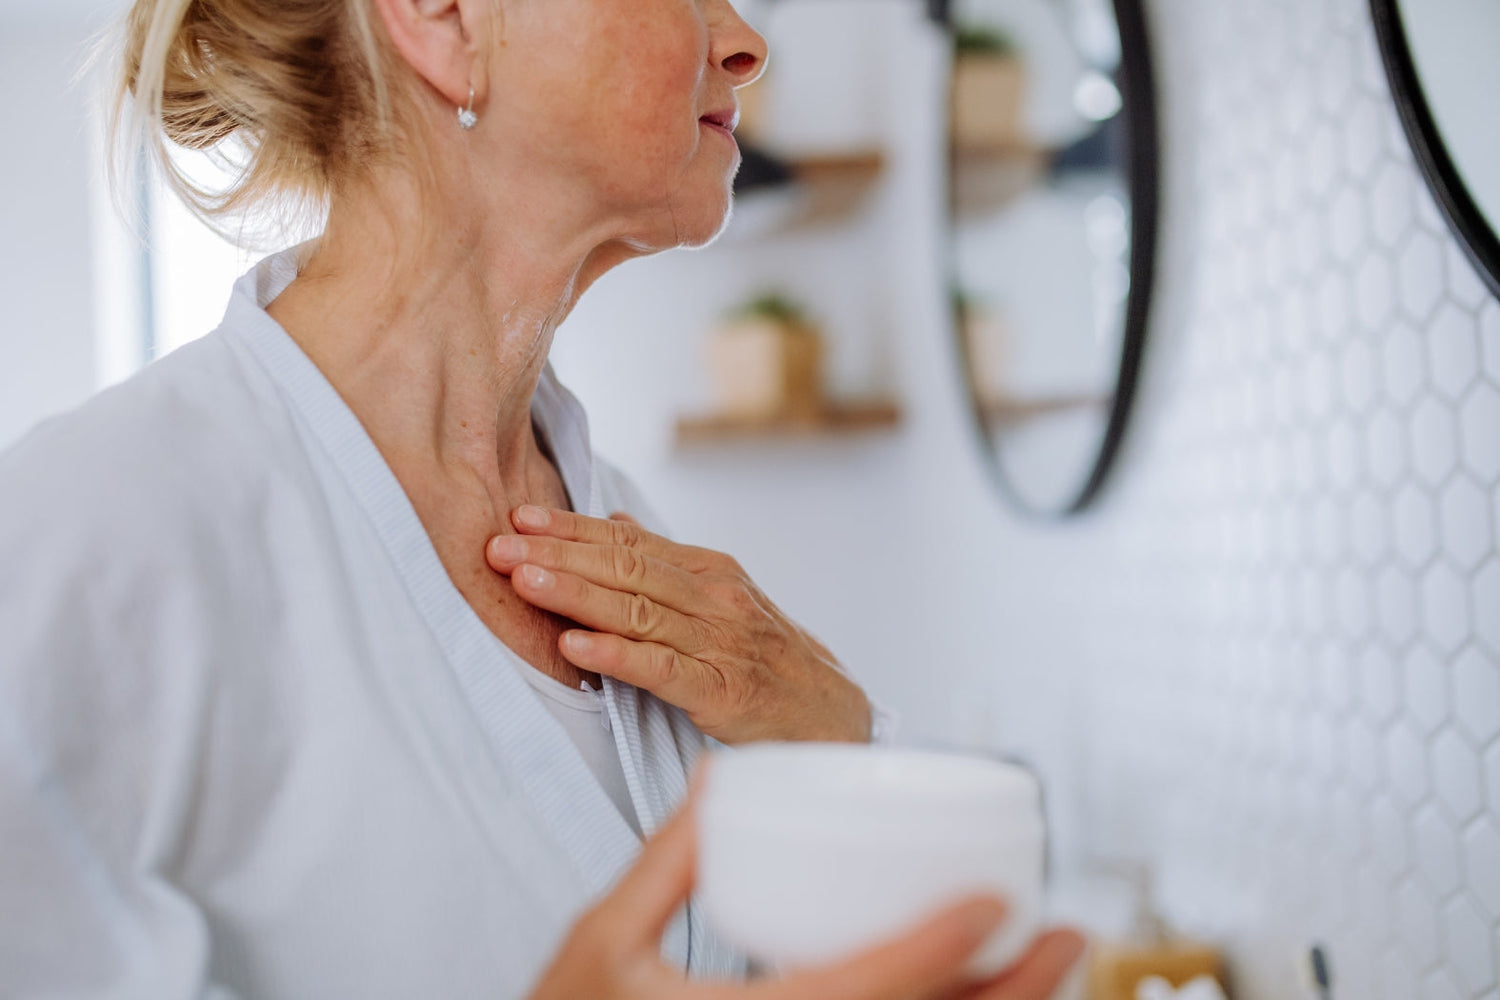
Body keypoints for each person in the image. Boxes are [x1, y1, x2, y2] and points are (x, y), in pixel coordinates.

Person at [0, 0, 1084, 996]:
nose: (746, 42)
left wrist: (838, 737)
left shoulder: (635, 538)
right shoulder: (87, 539)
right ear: (443, 17)